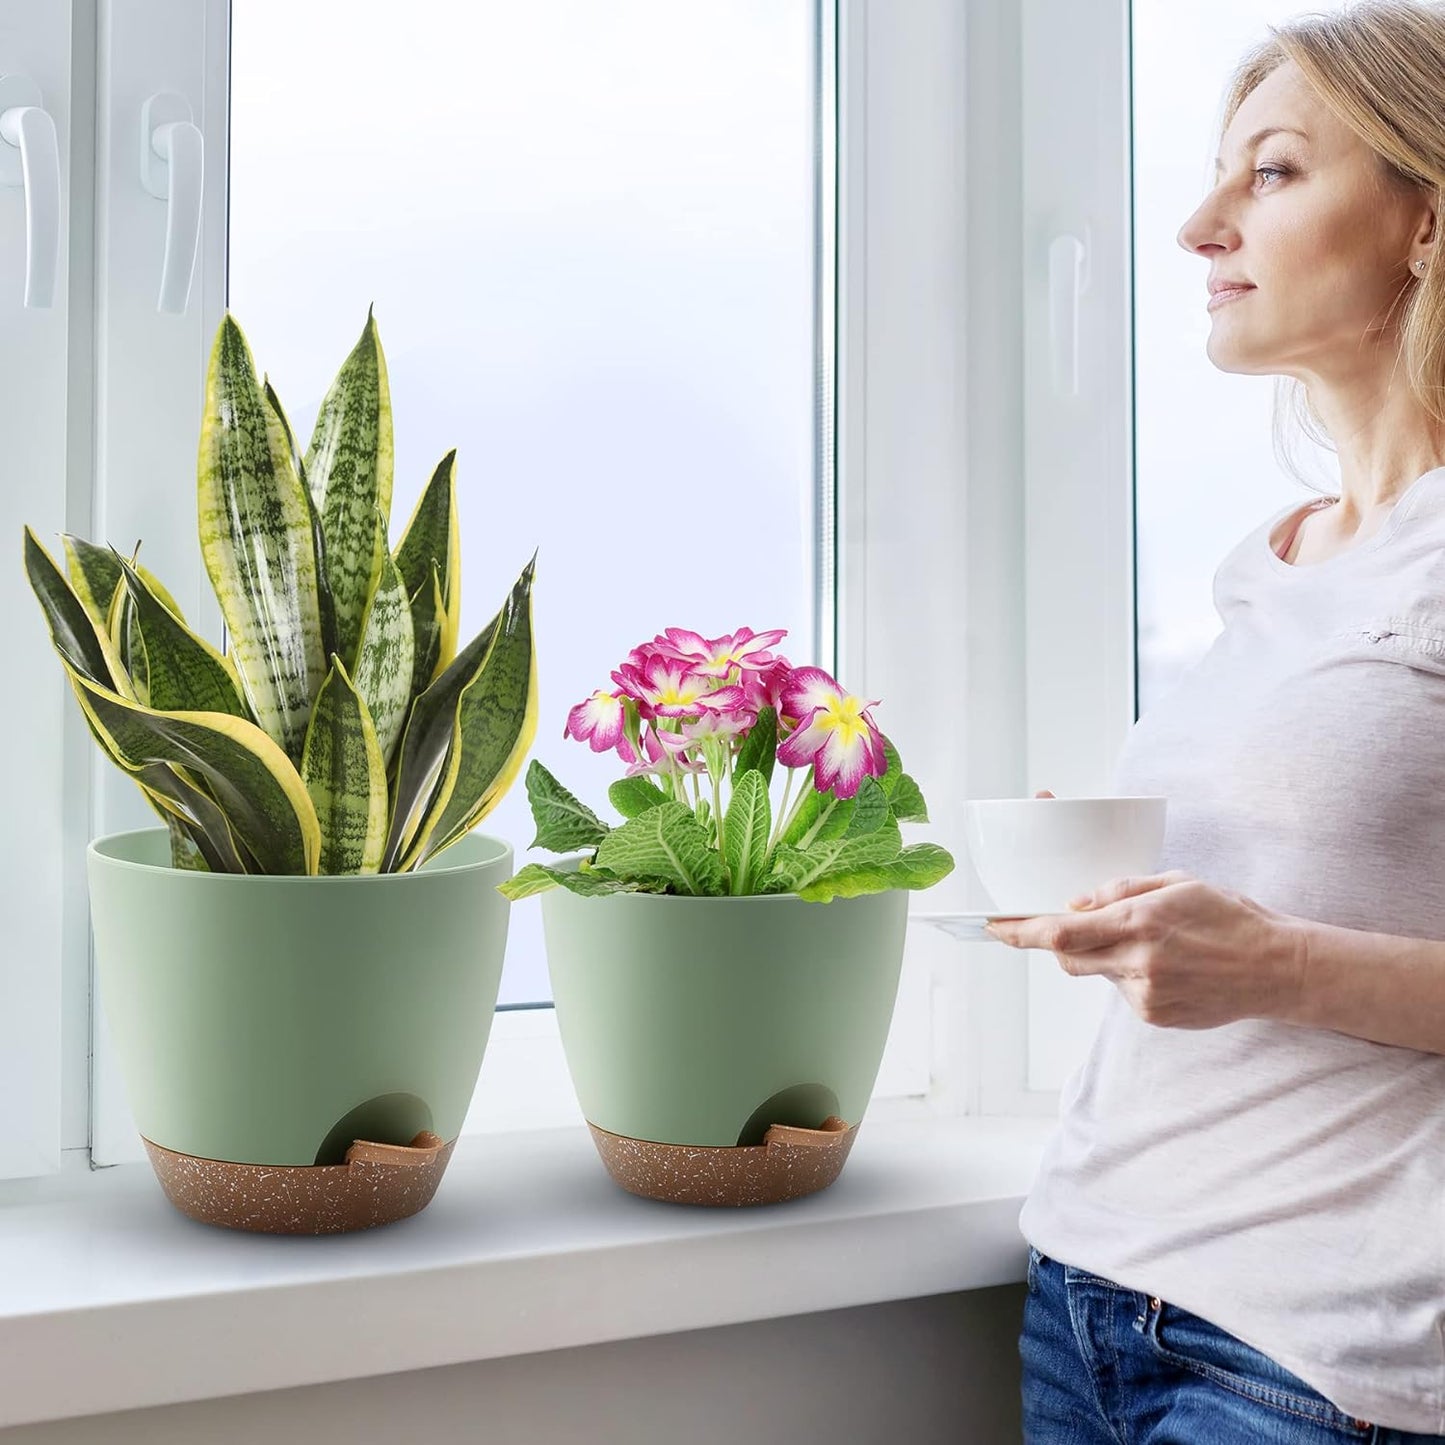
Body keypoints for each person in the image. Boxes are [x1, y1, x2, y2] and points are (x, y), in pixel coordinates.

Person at [983, 4, 1445, 1440]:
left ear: (1421, 221)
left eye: (1271, 173)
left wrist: (1274, 963)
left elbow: (1277, 948)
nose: (1198, 226)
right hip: (1086, 1293)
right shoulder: (1278, 557)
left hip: (1311, 1363)